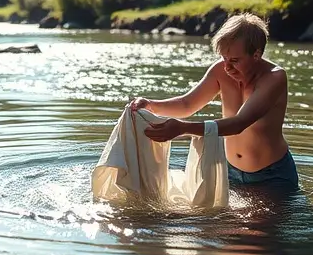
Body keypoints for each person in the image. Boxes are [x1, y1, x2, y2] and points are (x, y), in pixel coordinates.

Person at [127, 13, 298, 190]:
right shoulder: (220, 71)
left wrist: (183, 128)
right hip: (229, 170)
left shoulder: (274, 77)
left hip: (271, 174)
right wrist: (150, 104)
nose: (227, 67)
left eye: (234, 60)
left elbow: (239, 123)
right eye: (224, 58)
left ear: (256, 54)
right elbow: (187, 104)